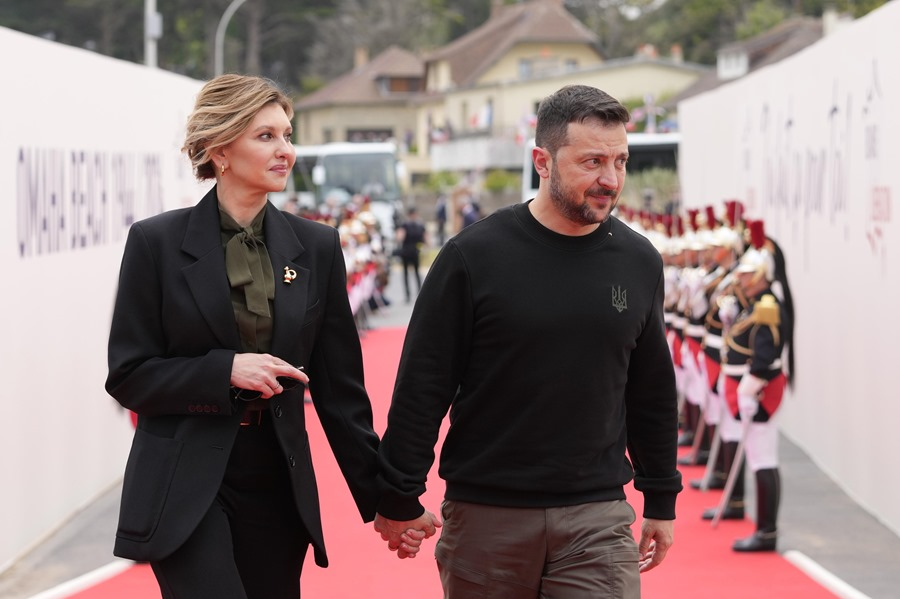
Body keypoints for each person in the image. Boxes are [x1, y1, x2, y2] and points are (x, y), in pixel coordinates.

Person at [374, 84, 682, 598]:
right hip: (487, 517)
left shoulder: (639, 260)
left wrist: (661, 498)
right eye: (592, 162)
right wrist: (399, 493)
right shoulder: (472, 257)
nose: (610, 180)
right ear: (543, 161)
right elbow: (424, 385)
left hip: (597, 518)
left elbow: (651, 389)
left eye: (621, 162)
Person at [105, 74, 382, 598]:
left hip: (276, 477)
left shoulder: (317, 246)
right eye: (267, 136)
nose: (287, 151)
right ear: (221, 150)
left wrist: (388, 500)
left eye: (287, 134)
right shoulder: (155, 243)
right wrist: (224, 370)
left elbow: (340, 391)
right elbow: (129, 376)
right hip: (185, 479)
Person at [720, 218, 793, 552]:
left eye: (748, 275)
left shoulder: (767, 306)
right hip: (753, 390)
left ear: (762, 274)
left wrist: (750, 388)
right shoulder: (754, 304)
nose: (742, 280)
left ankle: (766, 532)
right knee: (759, 457)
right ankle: (764, 529)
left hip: (760, 392)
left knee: (763, 460)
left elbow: (765, 356)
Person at [394, 206, 427, 303]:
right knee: (415, 273)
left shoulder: (405, 225)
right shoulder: (419, 225)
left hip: (407, 251)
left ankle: (410, 294)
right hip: (414, 251)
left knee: (407, 273)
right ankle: (418, 293)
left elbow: (399, 237)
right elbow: (425, 238)